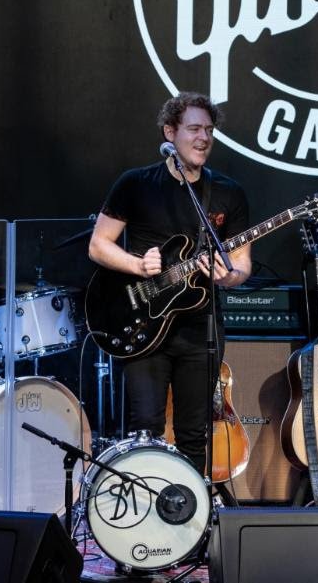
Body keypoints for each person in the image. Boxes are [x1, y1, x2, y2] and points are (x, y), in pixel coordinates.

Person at [88, 92, 251, 476]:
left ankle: (188, 520)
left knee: (195, 433)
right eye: (194, 128)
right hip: (143, 323)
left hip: (200, 328)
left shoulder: (227, 192)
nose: (204, 138)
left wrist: (230, 276)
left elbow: (243, 264)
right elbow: (98, 245)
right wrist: (137, 265)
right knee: (145, 429)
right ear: (170, 132)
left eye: (209, 130)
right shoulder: (136, 184)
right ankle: (144, 516)